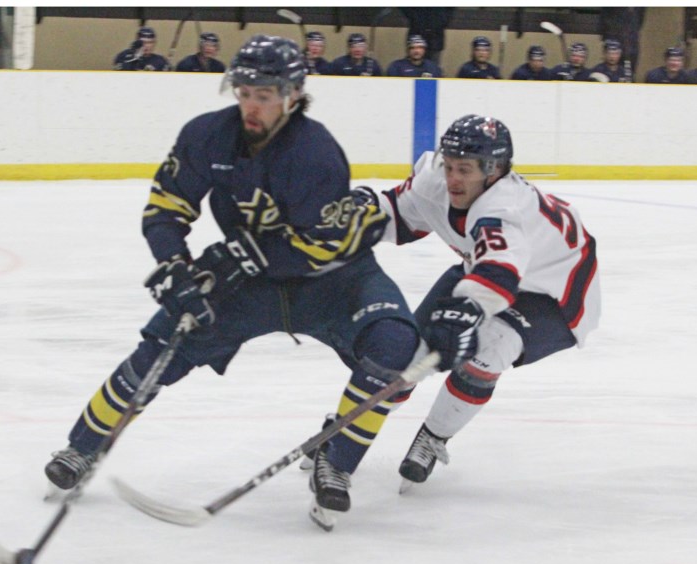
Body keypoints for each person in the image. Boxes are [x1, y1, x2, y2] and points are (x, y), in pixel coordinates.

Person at [44, 35, 421, 531]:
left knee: (396, 346)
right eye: (244, 92)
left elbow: (322, 244)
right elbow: (167, 207)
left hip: (333, 280)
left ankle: (338, 458)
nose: (250, 105)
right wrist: (175, 266)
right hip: (250, 283)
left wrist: (246, 253)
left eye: (263, 95)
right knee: (162, 346)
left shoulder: (316, 153)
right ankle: (81, 449)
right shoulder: (207, 136)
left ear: (291, 95)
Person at [360, 114, 601, 490]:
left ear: (494, 171)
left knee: (488, 350)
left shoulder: (506, 209)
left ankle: (434, 436)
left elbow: (500, 273)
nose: (453, 179)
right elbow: (399, 215)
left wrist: (464, 312)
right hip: (485, 267)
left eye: (465, 170)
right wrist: (357, 212)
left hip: (555, 290)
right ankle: (354, 430)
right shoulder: (436, 180)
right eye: (450, 165)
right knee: (407, 350)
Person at [599, 7, 645, 77]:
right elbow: (604, 18)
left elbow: (639, 21)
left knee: (629, 74)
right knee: (610, 71)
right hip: (614, 37)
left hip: (631, 42)